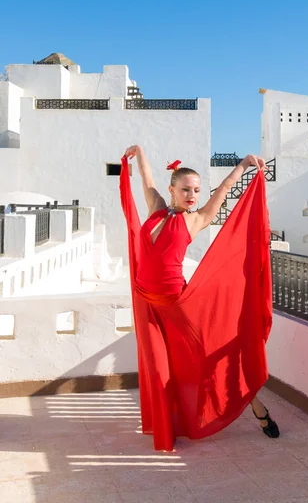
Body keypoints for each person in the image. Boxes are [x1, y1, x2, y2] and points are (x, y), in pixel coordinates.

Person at [120, 144, 279, 451]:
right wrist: (139, 152)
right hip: (145, 303)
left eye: (195, 190)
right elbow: (146, 175)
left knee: (207, 358)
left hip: (176, 303)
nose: (192, 196)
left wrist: (244, 163)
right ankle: (167, 427)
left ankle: (257, 408)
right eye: (185, 190)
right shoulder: (154, 206)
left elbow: (226, 187)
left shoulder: (196, 219)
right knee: (159, 368)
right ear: (172, 189)